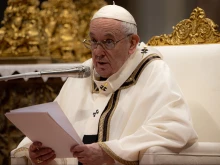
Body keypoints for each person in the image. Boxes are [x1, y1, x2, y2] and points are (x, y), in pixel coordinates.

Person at [12, 4, 198, 165]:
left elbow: (175, 128)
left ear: (132, 43)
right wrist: (39, 152)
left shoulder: (152, 71)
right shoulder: (84, 72)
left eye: (108, 42)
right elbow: (54, 129)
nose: (98, 52)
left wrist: (108, 153)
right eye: (93, 41)